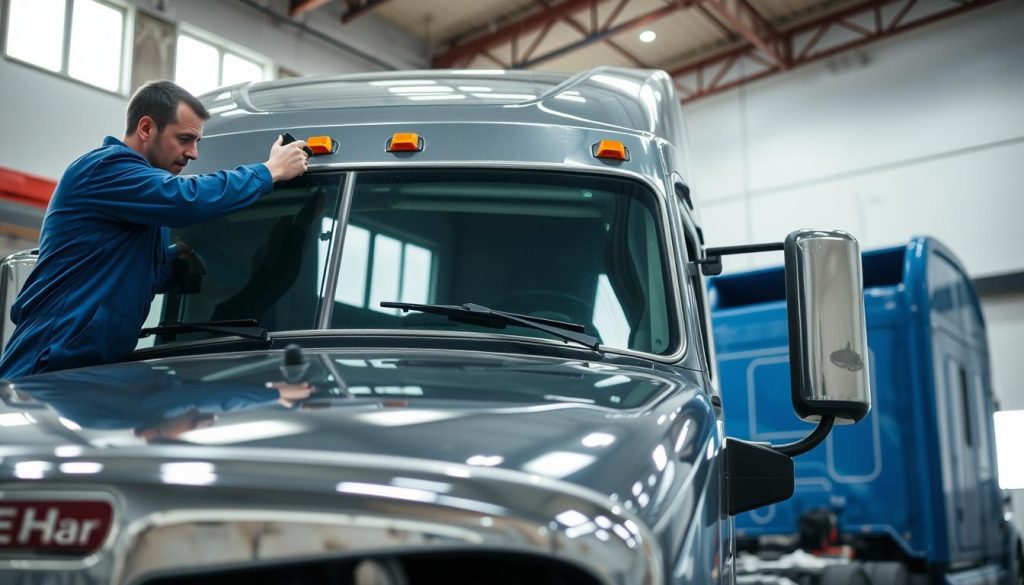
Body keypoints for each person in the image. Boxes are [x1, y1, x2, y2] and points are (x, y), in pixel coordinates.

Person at [0, 80, 309, 379]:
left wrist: (173, 264)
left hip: (86, 366)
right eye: (184, 139)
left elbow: (118, 268)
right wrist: (269, 172)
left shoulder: (143, 208)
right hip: (46, 360)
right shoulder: (104, 169)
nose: (193, 154)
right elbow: (188, 200)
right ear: (146, 128)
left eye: (197, 142)